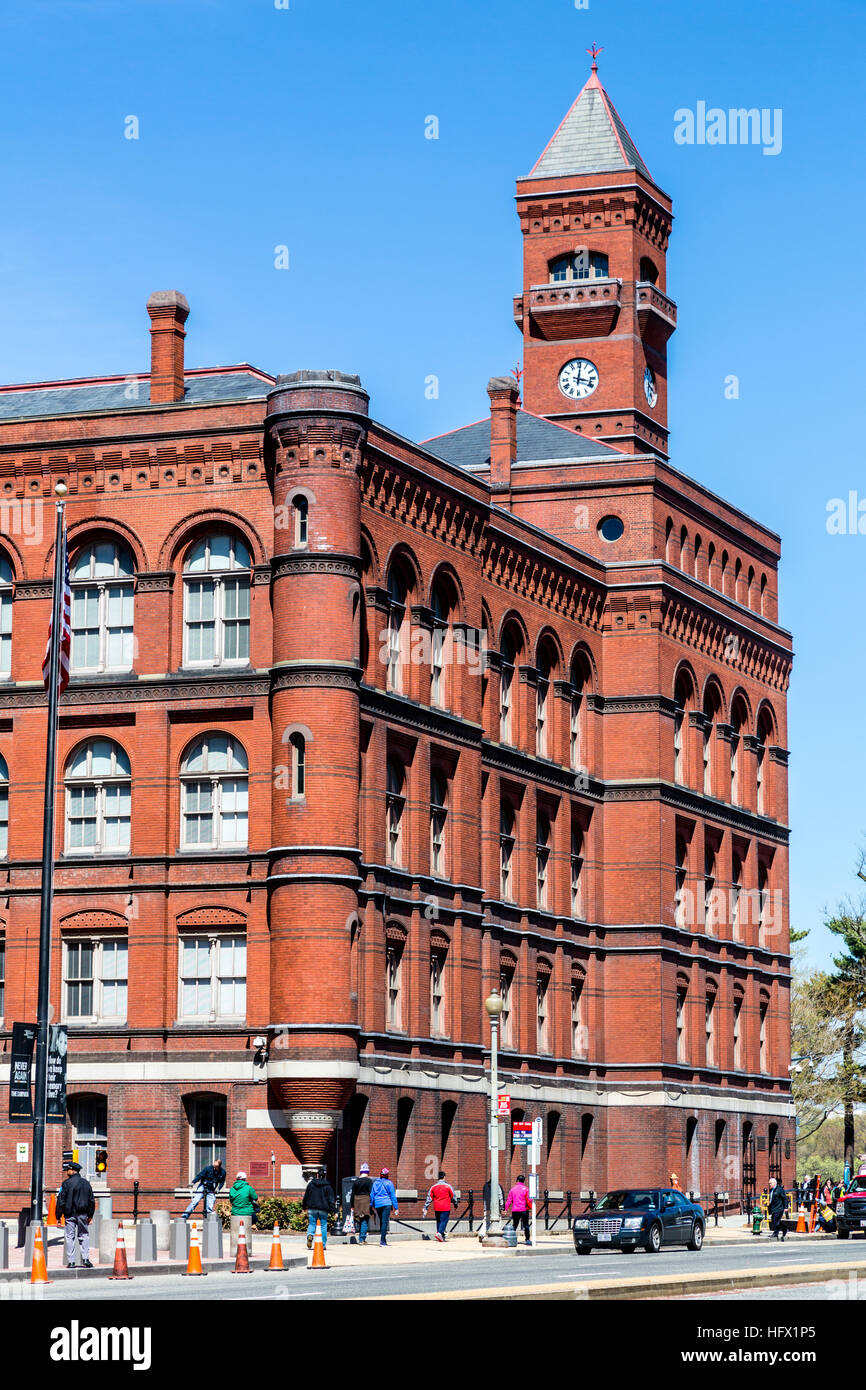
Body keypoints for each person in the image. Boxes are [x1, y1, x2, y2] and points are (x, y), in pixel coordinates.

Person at [56, 1161, 95, 1269]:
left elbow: (61, 1200)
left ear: (72, 1170)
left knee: (69, 1237)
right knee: (84, 1235)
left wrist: (58, 1216)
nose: (66, 1172)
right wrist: (90, 1215)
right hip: (83, 1214)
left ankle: (71, 1261)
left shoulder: (66, 1184)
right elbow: (91, 1200)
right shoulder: (86, 1183)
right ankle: (86, 1259)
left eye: (67, 1170)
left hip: (69, 1214)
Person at [301, 1168, 336, 1250]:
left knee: (312, 1224)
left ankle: (310, 1235)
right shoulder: (328, 1186)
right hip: (324, 1209)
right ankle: (323, 1245)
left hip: (312, 1208)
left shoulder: (311, 1184)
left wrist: (304, 1206)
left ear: (317, 1175)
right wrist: (334, 1211)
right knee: (323, 1226)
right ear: (324, 1176)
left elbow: (306, 1196)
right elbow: (331, 1199)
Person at [422, 1170, 457, 1243]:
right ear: (444, 1177)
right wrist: (455, 1203)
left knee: (438, 1221)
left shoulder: (433, 1187)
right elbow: (453, 1196)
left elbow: (429, 1198)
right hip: (445, 1206)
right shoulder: (448, 1186)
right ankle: (439, 1233)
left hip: (437, 1206)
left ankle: (440, 1236)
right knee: (444, 1220)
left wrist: (426, 1207)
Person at [370, 1167, 399, 1247]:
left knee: (382, 1222)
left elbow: (372, 1195)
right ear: (387, 1175)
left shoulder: (375, 1183)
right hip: (386, 1204)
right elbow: (393, 1195)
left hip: (378, 1204)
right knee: (384, 1222)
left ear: (380, 1174)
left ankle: (384, 1240)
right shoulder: (389, 1183)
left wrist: (372, 1205)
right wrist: (396, 1207)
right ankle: (382, 1241)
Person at [350, 1163, 374, 1245]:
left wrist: (352, 1206)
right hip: (365, 1201)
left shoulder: (356, 1181)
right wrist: (372, 1203)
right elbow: (371, 1193)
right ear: (367, 1172)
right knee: (364, 1220)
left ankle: (361, 1237)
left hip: (357, 1201)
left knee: (359, 1220)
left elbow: (352, 1194)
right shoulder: (369, 1181)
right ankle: (362, 1239)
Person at [505, 1174, 532, 1245]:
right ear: (524, 1181)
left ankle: (512, 1239)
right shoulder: (526, 1189)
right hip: (524, 1210)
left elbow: (509, 1200)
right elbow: (529, 1199)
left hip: (515, 1210)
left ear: (517, 1180)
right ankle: (527, 1239)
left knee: (515, 1225)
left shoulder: (512, 1189)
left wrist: (505, 1209)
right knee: (526, 1225)